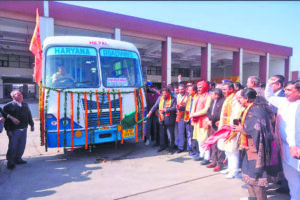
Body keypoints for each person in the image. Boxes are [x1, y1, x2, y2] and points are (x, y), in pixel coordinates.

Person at [237, 88, 282, 200]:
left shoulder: (256, 110)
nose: (239, 100)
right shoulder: (248, 108)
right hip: (247, 147)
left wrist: (241, 129)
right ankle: (252, 197)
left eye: (240, 98)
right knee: (247, 175)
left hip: (256, 148)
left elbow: (257, 129)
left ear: (246, 98)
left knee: (257, 178)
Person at [265, 79, 300, 200]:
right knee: (291, 177)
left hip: (297, 148)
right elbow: (269, 96)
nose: (285, 92)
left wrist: (295, 145)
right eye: (285, 89)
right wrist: (269, 84)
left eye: (289, 90)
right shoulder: (284, 102)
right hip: (285, 147)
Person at [218, 81, 244, 179]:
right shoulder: (228, 99)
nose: (223, 91)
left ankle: (234, 171)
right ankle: (229, 168)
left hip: (231, 128)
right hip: (225, 127)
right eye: (222, 89)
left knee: (233, 151)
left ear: (231, 89)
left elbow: (236, 115)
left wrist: (233, 129)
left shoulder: (235, 99)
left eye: (224, 89)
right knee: (227, 150)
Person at [4, 90, 34, 170]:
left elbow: (29, 115)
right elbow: (6, 120)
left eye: (21, 94)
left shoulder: (25, 105)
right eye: (18, 95)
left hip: (24, 128)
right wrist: (8, 130)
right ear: (13, 97)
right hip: (14, 130)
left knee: (21, 145)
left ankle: (18, 159)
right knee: (13, 146)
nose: (21, 96)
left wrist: (32, 124)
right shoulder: (8, 106)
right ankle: (10, 162)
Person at [147, 88, 177, 154]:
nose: (164, 95)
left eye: (165, 93)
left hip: (169, 120)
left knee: (170, 135)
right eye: (162, 93)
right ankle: (162, 146)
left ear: (168, 93)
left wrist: (166, 110)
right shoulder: (160, 98)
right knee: (161, 134)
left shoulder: (173, 99)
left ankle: (171, 148)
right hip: (161, 119)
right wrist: (150, 112)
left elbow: (174, 108)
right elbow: (155, 106)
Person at [190, 80, 212, 165]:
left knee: (205, 139)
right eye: (198, 87)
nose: (198, 89)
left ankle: (207, 157)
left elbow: (206, 110)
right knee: (199, 139)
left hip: (204, 120)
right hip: (197, 121)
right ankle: (201, 155)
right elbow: (193, 107)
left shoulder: (208, 96)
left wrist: (194, 114)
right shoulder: (197, 96)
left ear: (205, 87)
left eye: (200, 87)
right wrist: (192, 115)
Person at [205, 88, 225, 172]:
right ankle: (213, 160)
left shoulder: (222, 101)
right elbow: (209, 111)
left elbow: (219, 114)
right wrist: (209, 119)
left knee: (219, 144)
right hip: (212, 124)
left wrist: (211, 119)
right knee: (212, 143)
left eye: (212, 94)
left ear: (217, 95)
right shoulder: (213, 101)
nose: (211, 95)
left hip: (218, 125)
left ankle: (219, 163)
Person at [184, 84, 197, 156]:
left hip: (194, 119)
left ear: (194, 91)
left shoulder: (196, 97)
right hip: (188, 118)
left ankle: (195, 151)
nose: (188, 91)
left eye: (190, 90)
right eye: (188, 90)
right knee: (190, 135)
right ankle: (191, 149)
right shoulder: (190, 97)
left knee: (194, 136)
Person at [145, 81, 160, 146]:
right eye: (151, 88)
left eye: (154, 88)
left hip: (155, 113)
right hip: (148, 113)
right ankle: (148, 139)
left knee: (155, 127)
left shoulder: (158, 95)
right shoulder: (147, 95)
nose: (152, 89)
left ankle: (155, 139)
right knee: (148, 126)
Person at [175, 84, 188, 153]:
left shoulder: (188, 96)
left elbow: (187, 105)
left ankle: (189, 148)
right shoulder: (178, 96)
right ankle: (180, 147)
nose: (180, 91)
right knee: (180, 132)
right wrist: (177, 110)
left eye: (182, 89)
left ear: (185, 89)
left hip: (187, 116)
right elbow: (177, 105)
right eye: (179, 89)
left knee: (189, 134)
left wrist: (180, 108)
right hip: (180, 116)